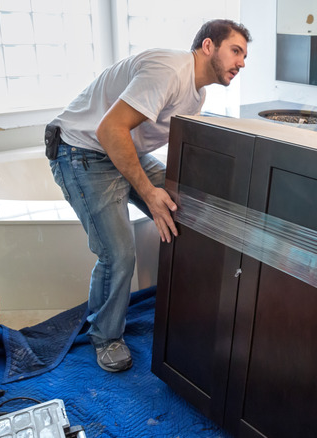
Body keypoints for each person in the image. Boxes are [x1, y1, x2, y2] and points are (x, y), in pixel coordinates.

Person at [47, 19, 250, 373]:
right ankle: (106, 337)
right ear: (207, 46)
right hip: (81, 151)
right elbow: (109, 129)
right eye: (236, 51)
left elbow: (177, 152)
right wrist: (149, 194)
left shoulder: (197, 94)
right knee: (119, 253)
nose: (242, 62)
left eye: (245, 55)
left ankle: (187, 307)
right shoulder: (169, 71)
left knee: (185, 207)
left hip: (118, 148)